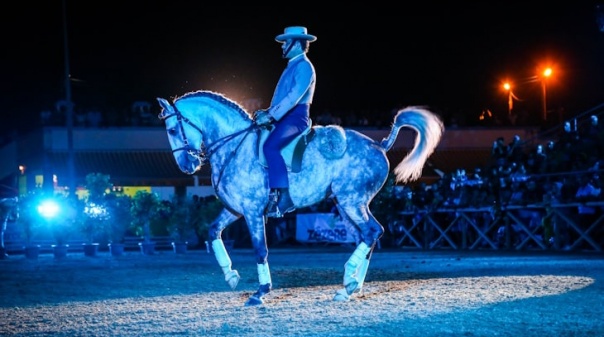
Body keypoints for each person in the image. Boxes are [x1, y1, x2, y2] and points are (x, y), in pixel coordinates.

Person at [253, 26, 317, 217]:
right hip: (283, 116)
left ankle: (284, 197)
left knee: (270, 147)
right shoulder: (292, 66)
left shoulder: (304, 66)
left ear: (297, 44)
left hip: (296, 118)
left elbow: (293, 97)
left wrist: (271, 115)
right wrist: (267, 112)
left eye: (286, 43)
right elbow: (281, 99)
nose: (282, 47)